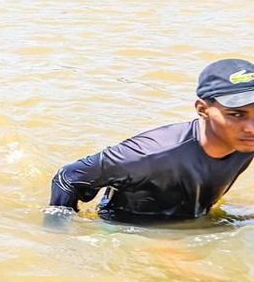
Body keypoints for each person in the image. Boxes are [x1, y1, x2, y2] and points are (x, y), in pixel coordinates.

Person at [48, 58, 254, 221]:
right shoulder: (150, 153)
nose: (251, 127)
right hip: (128, 229)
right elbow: (67, 177)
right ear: (202, 109)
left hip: (197, 220)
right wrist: (60, 232)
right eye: (236, 114)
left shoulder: (245, 139)